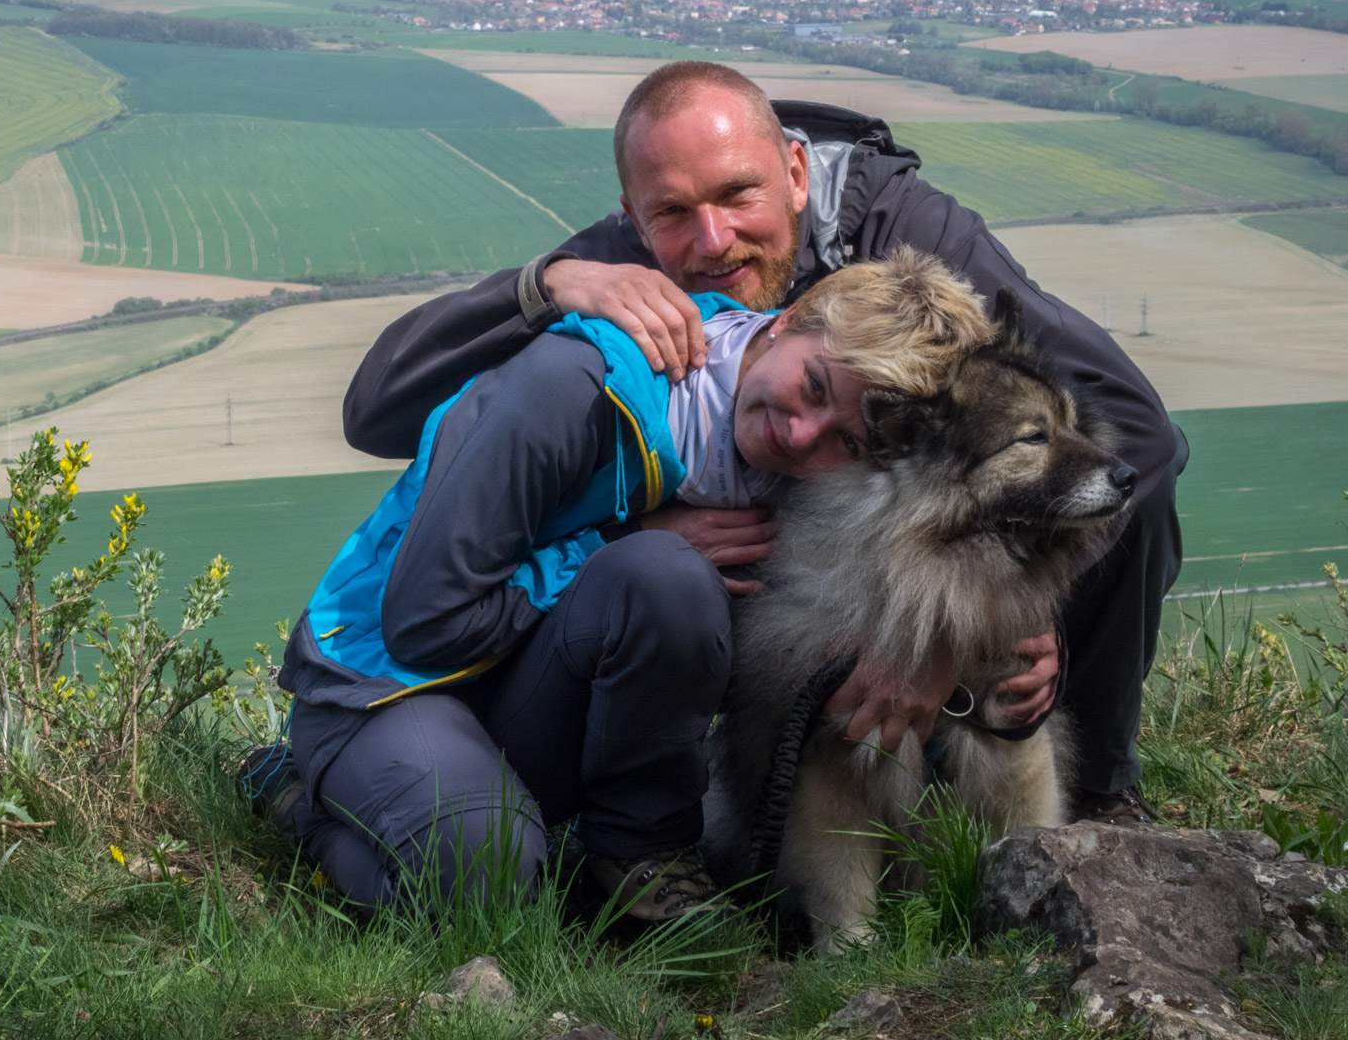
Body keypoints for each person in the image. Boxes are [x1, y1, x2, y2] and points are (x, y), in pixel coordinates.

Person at [340, 61, 1187, 821]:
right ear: (634, 215)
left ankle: (1105, 801)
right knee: (666, 579)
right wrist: (549, 283)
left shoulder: (915, 243)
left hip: (871, 566)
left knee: (1124, 506)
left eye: (738, 195)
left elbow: (1138, 436)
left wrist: (980, 638)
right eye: (672, 211)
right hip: (690, 591)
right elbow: (378, 410)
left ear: (793, 171)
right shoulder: (626, 270)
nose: (711, 242)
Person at [264, 250, 992, 918]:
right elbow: (426, 621)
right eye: (812, 385)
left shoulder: (788, 469)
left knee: (663, 580)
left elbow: (966, 526)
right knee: (487, 877)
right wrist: (619, 541)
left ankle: (637, 853)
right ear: (789, 320)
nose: (802, 435)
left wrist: (944, 650)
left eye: (848, 442)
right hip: (387, 682)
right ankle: (293, 799)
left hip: (518, 684)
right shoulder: (577, 385)